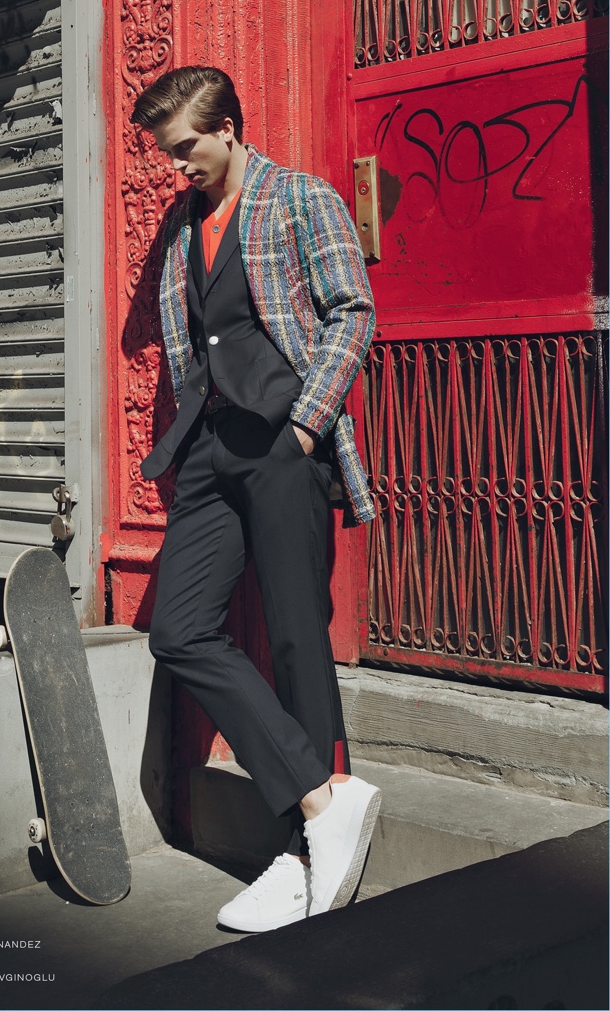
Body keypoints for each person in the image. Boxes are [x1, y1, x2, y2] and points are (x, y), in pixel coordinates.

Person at [130, 65, 380, 933]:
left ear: (229, 128)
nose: (175, 166)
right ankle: (321, 801)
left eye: (184, 148)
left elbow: (352, 311)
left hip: (281, 444)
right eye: (166, 153)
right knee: (178, 629)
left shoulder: (300, 199)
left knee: (294, 634)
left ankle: (301, 852)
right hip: (209, 448)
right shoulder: (182, 226)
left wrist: (306, 427)